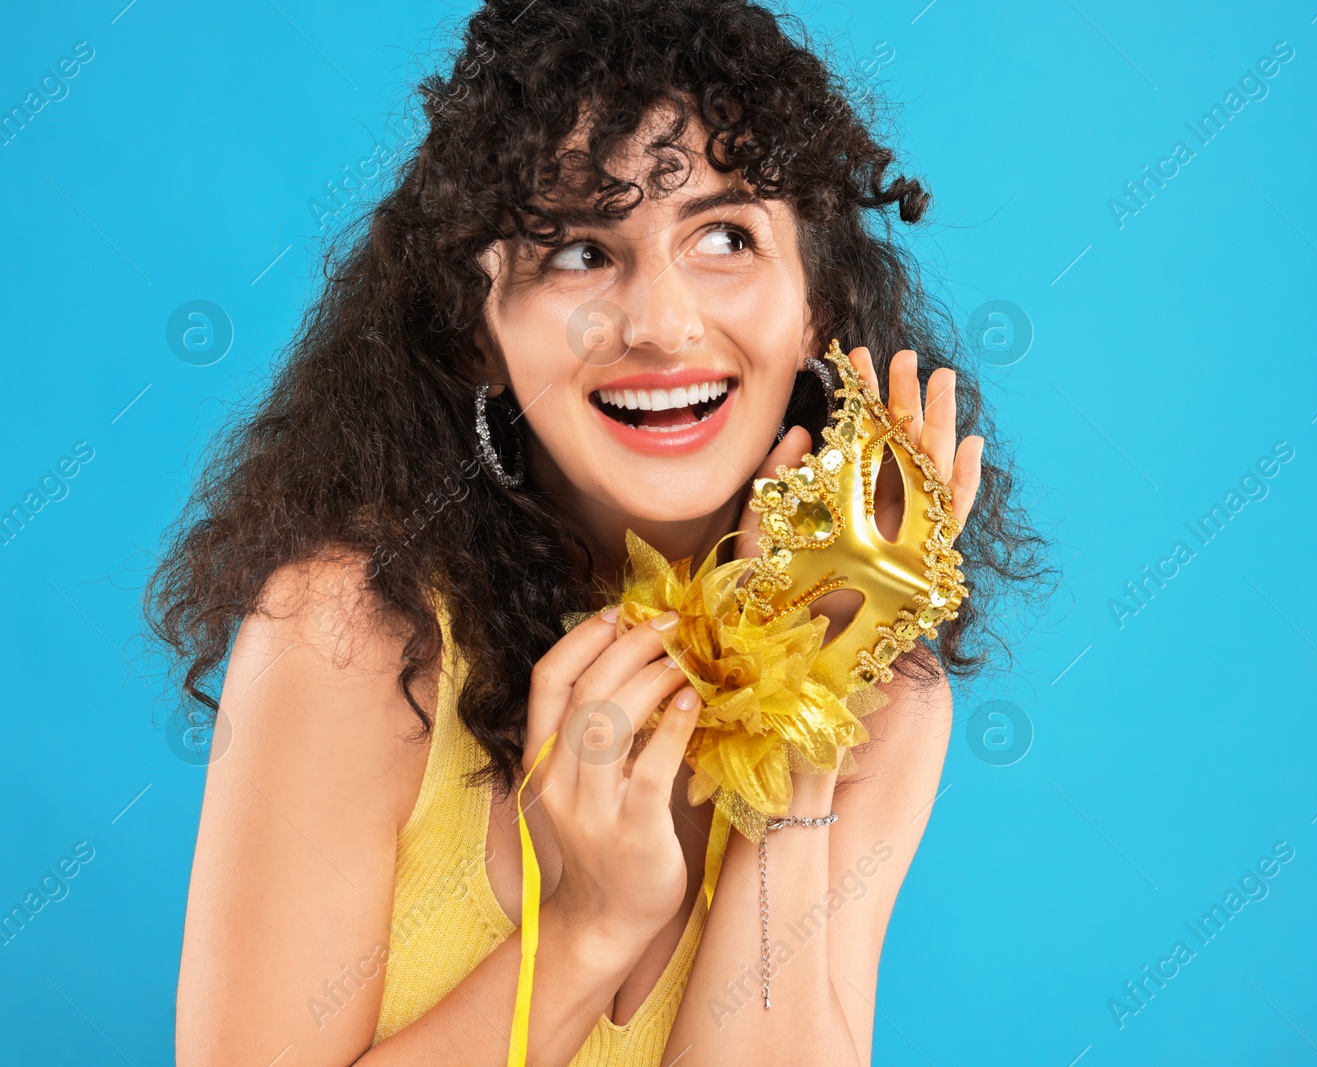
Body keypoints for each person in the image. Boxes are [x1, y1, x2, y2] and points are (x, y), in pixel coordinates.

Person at [146, 1, 1050, 1064]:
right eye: (579, 251)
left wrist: (805, 701)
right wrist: (587, 928)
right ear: (479, 327)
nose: (662, 325)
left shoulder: (885, 703)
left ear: (814, 304)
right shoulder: (348, 635)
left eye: (724, 236)